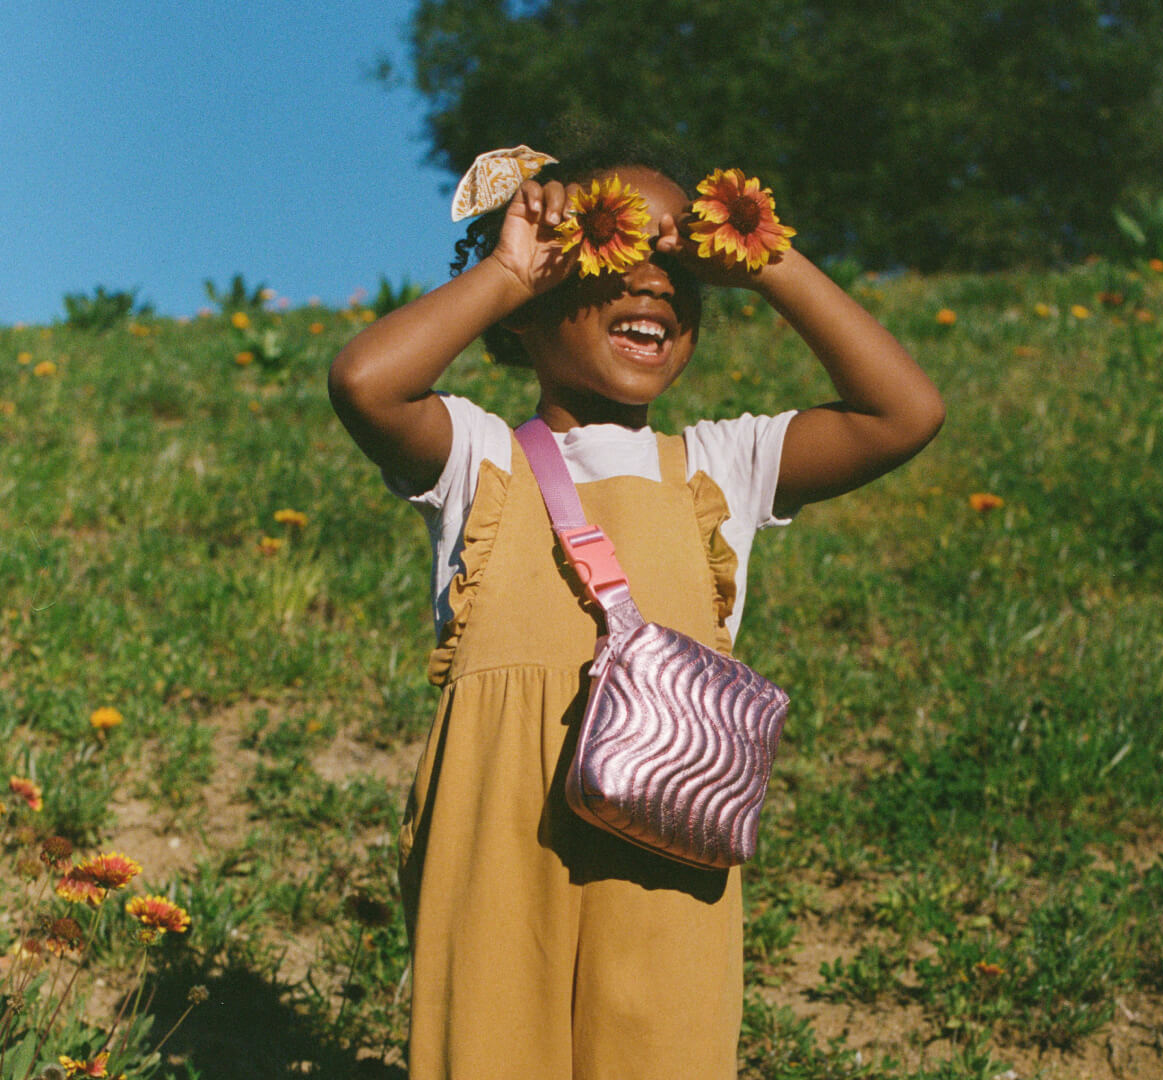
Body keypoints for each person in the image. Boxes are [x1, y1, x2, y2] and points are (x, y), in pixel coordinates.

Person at [328, 135, 944, 1080]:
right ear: (528, 310)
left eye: (680, 271)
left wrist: (763, 255)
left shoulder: (717, 468)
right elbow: (367, 381)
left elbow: (904, 412)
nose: (654, 281)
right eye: (612, 254)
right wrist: (510, 267)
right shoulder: (477, 456)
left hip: (669, 814)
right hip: (496, 839)